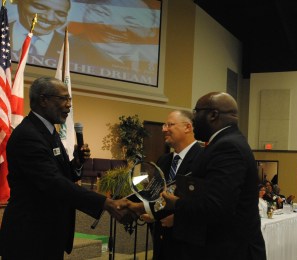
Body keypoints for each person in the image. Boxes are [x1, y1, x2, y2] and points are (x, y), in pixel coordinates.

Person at [0, 77, 133, 259]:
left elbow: (60, 175)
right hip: (29, 236)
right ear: (43, 100)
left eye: (70, 99)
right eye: (63, 99)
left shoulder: (49, 132)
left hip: (49, 232)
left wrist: (76, 164)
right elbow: (53, 183)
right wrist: (106, 203)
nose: (69, 105)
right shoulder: (28, 135)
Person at [159, 92, 267, 259]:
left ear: (213, 115)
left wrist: (177, 204)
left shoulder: (227, 147)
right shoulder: (225, 143)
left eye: (196, 112)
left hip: (230, 250)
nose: (193, 119)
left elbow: (218, 206)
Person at [144, 110, 203, 260]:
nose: (164, 129)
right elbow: (156, 194)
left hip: (188, 247)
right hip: (161, 244)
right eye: (164, 125)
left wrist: (180, 218)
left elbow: (206, 203)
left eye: (169, 124)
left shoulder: (204, 159)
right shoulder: (163, 160)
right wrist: (150, 211)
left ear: (187, 127)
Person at [69, 0, 159, 83]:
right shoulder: (67, 50)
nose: (115, 28)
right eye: (103, 13)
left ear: (152, 30)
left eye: (131, 22)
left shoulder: (152, 63)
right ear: (86, 10)